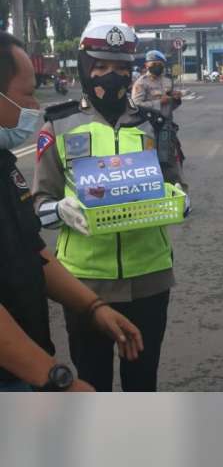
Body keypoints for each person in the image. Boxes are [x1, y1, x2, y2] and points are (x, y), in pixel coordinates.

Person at [32, 24, 188, 392]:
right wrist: (60, 211)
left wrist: (179, 199)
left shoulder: (156, 125)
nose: (111, 76)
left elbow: (178, 185)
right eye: (101, 66)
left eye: (120, 66)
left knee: (142, 383)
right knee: (92, 384)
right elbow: (38, 203)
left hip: (149, 278)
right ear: (86, 68)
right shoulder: (59, 125)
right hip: (84, 282)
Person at [0, 31, 143, 392]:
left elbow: (30, 251)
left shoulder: (3, 165)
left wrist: (94, 307)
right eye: (28, 92)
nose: (35, 104)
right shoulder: (60, 126)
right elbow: (43, 202)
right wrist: (58, 380)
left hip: (24, 368)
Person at [132, 50, 182, 120]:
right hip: (149, 124)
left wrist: (176, 99)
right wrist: (159, 102)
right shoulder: (141, 83)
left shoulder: (167, 80)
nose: (157, 67)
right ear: (146, 65)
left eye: (160, 64)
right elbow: (136, 105)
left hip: (167, 122)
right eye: (154, 64)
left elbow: (169, 107)